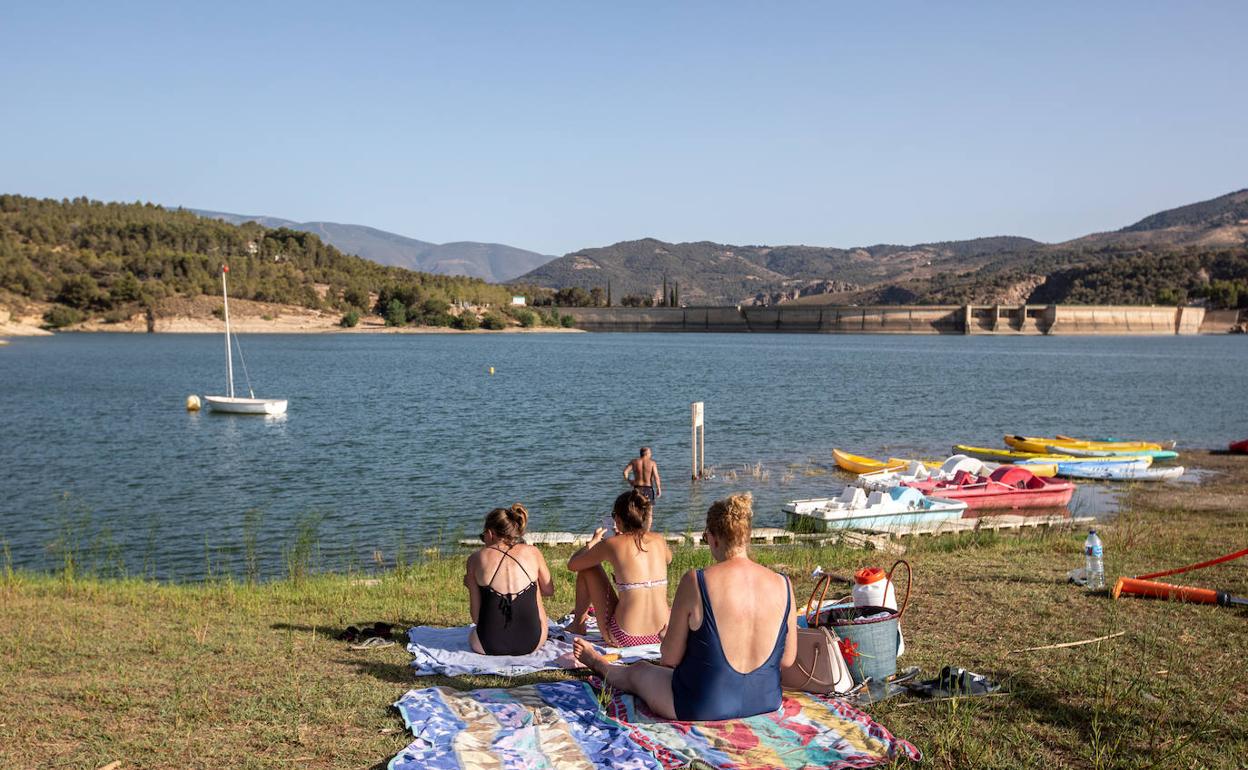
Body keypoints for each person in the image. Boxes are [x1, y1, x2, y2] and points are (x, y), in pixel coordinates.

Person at [573, 492, 796, 721]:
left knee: (639, 671)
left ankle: (597, 663)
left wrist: (670, 639)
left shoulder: (697, 581)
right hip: (766, 700)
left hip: (701, 704)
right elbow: (787, 659)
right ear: (747, 537)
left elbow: (669, 658)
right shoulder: (783, 583)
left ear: (713, 538)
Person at [566, 489, 672, 647]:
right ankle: (578, 624)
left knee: (588, 568)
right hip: (664, 633)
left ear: (617, 519)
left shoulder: (611, 544)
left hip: (626, 637)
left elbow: (573, 564)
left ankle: (578, 624)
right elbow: (668, 559)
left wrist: (593, 543)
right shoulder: (659, 540)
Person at [464, 503, 555, 655]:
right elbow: (549, 590)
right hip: (532, 642)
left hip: (487, 645)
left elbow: (476, 618)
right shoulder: (533, 552)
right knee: (535, 585)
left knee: (474, 631)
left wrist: (472, 586)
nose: (484, 541)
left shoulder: (475, 559)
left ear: (490, 533)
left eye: (483, 537)